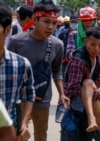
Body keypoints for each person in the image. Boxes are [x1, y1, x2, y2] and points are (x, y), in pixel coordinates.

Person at [7, 1, 70, 141]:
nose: (50, 27)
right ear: (35, 20)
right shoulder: (16, 42)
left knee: (41, 135)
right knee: (17, 135)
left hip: (42, 98)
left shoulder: (57, 45)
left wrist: (62, 93)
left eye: (54, 23)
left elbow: (56, 70)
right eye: (46, 21)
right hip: (18, 99)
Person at [0, 2, 35, 141]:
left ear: (7, 29)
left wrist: (24, 123)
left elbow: (29, 94)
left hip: (10, 134)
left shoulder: (21, 64)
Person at [62, 27, 100, 141]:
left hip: (87, 104)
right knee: (72, 133)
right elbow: (73, 87)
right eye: (93, 44)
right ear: (85, 42)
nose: (96, 48)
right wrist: (95, 95)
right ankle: (92, 119)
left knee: (86, 136)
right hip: (74, 105)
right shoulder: (78, 61)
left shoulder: (96, 57)